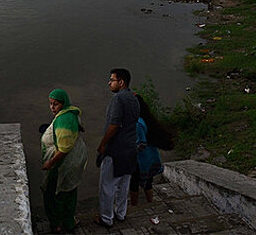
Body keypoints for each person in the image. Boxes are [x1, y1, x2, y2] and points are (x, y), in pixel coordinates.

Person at [94, 69, 139, 229]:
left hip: (116, 150)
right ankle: (121, 213)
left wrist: (103, 144)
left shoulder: (118, 99)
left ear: (121, 82)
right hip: (130, 148)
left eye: (112, 80)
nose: (109, 82)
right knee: (123, 184)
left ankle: (106, 218)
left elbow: (114, 125)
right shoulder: (134, 99)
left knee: (107, 186)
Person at [41, 89, 87, 233]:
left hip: (62, 165)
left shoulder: (64, 120)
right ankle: (69, 222)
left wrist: (50, 163)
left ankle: (56, 224)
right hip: (73, 164)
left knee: (53, 194)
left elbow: (64, 149)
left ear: (63, 103)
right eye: (50, 104)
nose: (52, 107)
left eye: (56, 104)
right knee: (69, 192)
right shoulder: (70, 113)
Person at [129, 94, 175, 205]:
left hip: (141, 162)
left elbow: (141, 144)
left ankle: (134, 206)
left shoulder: (137, 124)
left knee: (134, 184)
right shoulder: (146, 119)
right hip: (150, 158)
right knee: (148, 183)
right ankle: (150, 203)